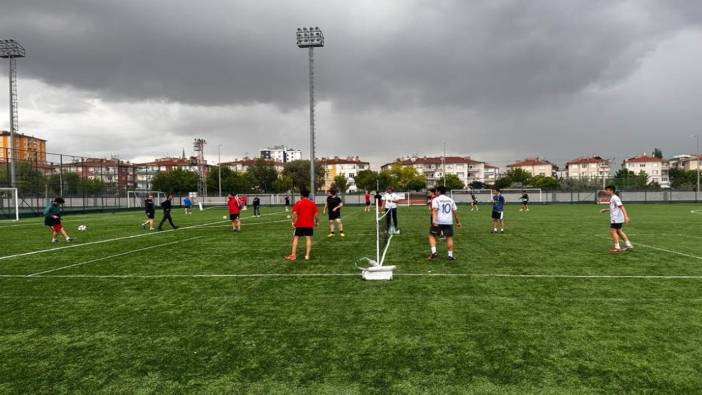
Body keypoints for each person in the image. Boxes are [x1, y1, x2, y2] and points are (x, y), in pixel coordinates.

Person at [429, 186, 462, 260]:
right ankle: (450, 255)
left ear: (439, 191)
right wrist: (458, 222)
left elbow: (434, 210)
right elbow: (455, 212)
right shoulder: (451, 200)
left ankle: (434, 252)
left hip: (438, 221)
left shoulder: (436, 199)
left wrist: (433, 220)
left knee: (432, 236)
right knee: (449, 238)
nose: (436, 192)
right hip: (448, 221)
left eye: (436, 191)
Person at [286, 188, 319, 261]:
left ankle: (293, 255)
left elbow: (294, 214)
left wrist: (293, 222)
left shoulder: (298, 203)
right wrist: (317, 222)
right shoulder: (312, 203)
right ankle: (307, 255)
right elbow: (316, 215)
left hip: (299, 224)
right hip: (309, 225)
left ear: (301, 195)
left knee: (296, 238)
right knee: (308, 239)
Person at [600, 185, 633, 253]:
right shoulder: (613, 198)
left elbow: (622, 207)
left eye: (607, 190)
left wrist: (626, 216)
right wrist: (606, 210)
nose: (606, 191)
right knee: (619, 231)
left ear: (611, 190)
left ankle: (617, 247)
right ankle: (628, 245)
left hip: (616, 218)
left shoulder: (615, 198)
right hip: (617, 218)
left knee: (613, 231)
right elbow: (615, 208)